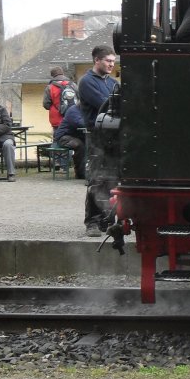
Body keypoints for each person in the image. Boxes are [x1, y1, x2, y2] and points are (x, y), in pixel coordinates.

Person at [78, 45, 119, 236]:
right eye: (108, 61)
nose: (112, 64)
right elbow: (107, 104)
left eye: (113, 61)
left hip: (114, 136)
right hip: (96, 136)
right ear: (97, 60)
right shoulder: (86, 82)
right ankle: (92, 223)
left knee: (114, 179)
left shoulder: (112, 83)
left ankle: (107, 221)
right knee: (97, 178)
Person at [53, 104, 87, 179]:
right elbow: (80, 123)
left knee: (90, 144)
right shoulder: (73, 110)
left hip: (76, 136)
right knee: (80, 145)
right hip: (63, 137)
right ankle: (80, 173)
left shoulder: (83, 110)